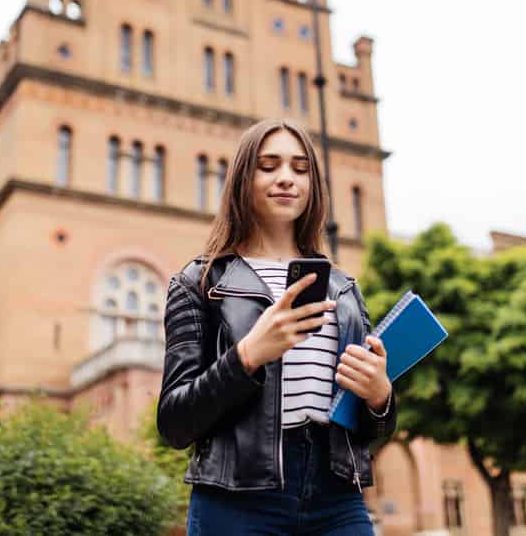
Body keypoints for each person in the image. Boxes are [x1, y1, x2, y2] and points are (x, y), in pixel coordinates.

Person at [158, 118, 398, 535]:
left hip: (337, 496)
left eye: (300, 169)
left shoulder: (343, 291)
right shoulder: (200, 283)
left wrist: (380, 398)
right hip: (237, 500)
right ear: (242, 178)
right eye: (268, 166)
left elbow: (371, 430)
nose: (286, 178)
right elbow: (175, 422)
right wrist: (248, 355)